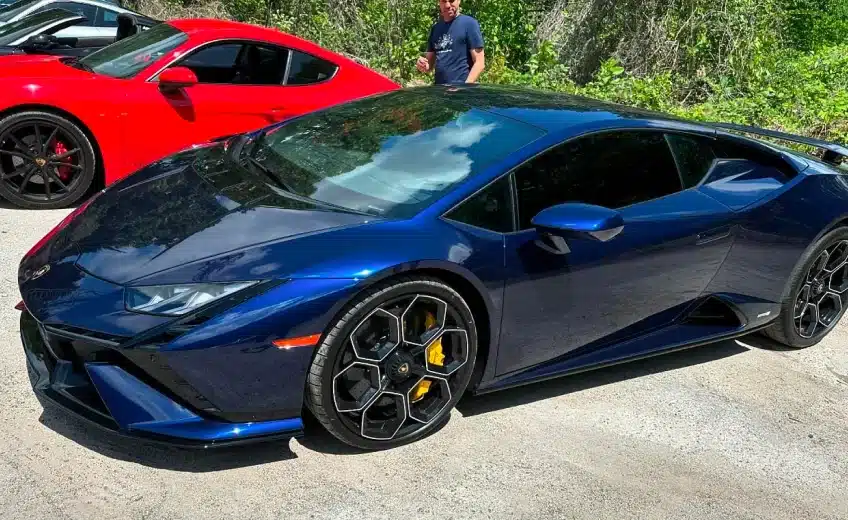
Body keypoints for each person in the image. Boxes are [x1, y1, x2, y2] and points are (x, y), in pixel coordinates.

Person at [416, 0, 485, 84]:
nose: (448, 5)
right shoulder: (436, 29)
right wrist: (423, 65)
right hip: (440, 91)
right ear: (439, 3)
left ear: (459, 1)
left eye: (451, 1)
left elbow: (480, 63)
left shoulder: (469, 24)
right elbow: (429, 65)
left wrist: (464, 87)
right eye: (444, 1)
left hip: (462, 92)